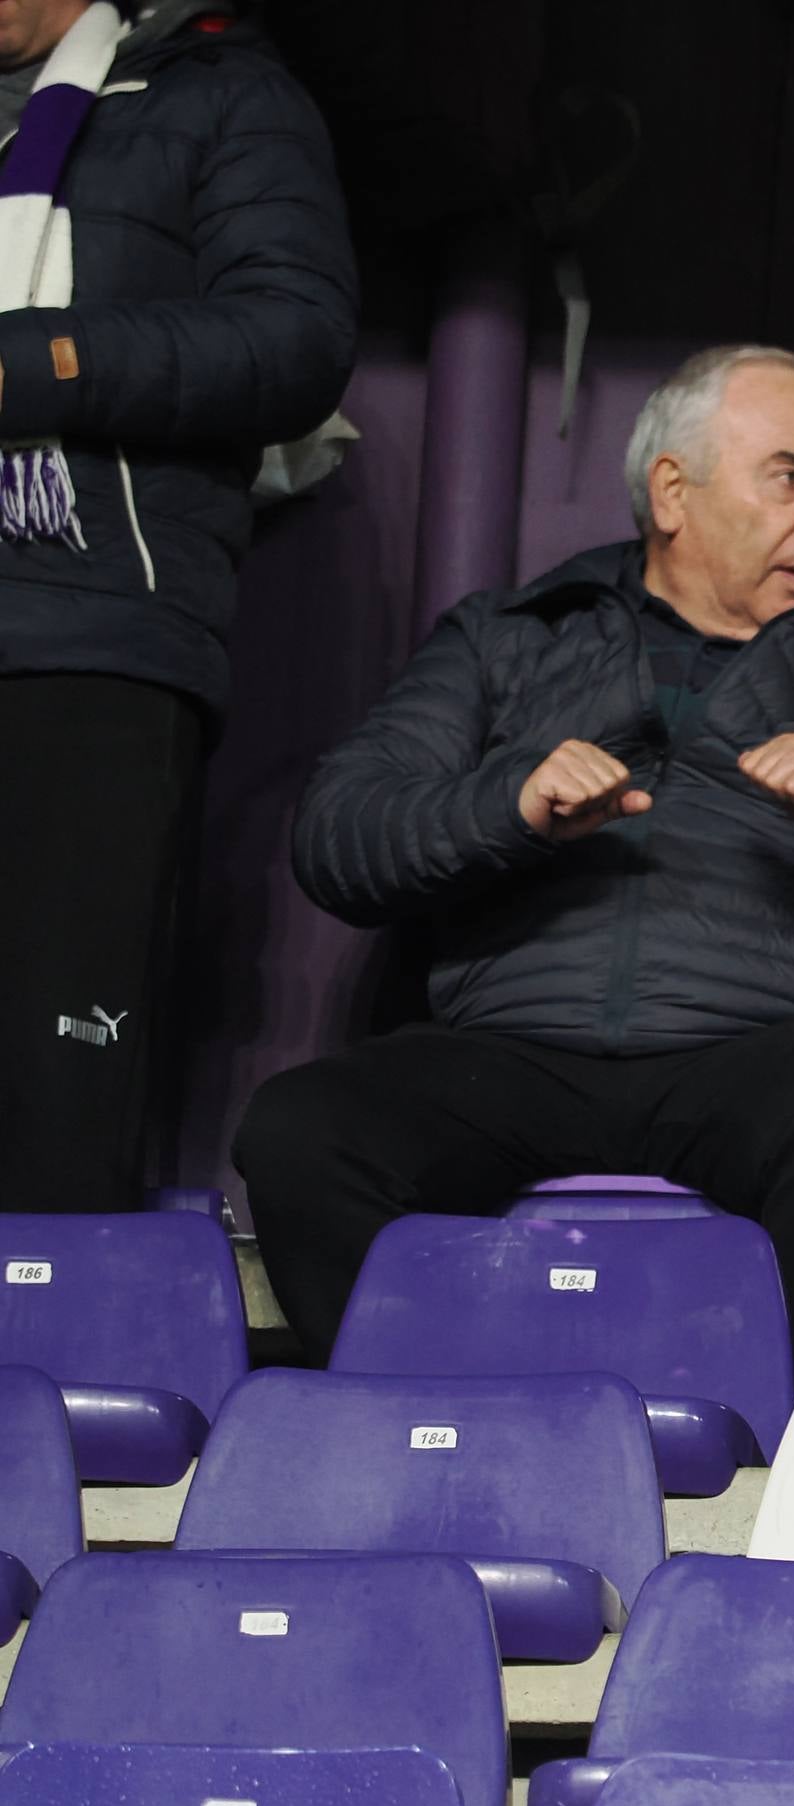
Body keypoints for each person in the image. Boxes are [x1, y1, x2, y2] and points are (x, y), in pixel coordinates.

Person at [235, 344, 794, 1382]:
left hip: (765, 1047)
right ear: (674, 490)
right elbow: (339, 835)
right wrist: (511, 803)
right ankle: (435, 1420)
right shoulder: (511, 636)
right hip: (513, 1047)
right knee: (302, 1129)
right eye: (790, 477)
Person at [0, 0, 356, 1212]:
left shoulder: (219, 91)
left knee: (48, 1103)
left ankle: (33, 1388)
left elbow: (297, 337)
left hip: (91, 634)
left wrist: (38, 365)